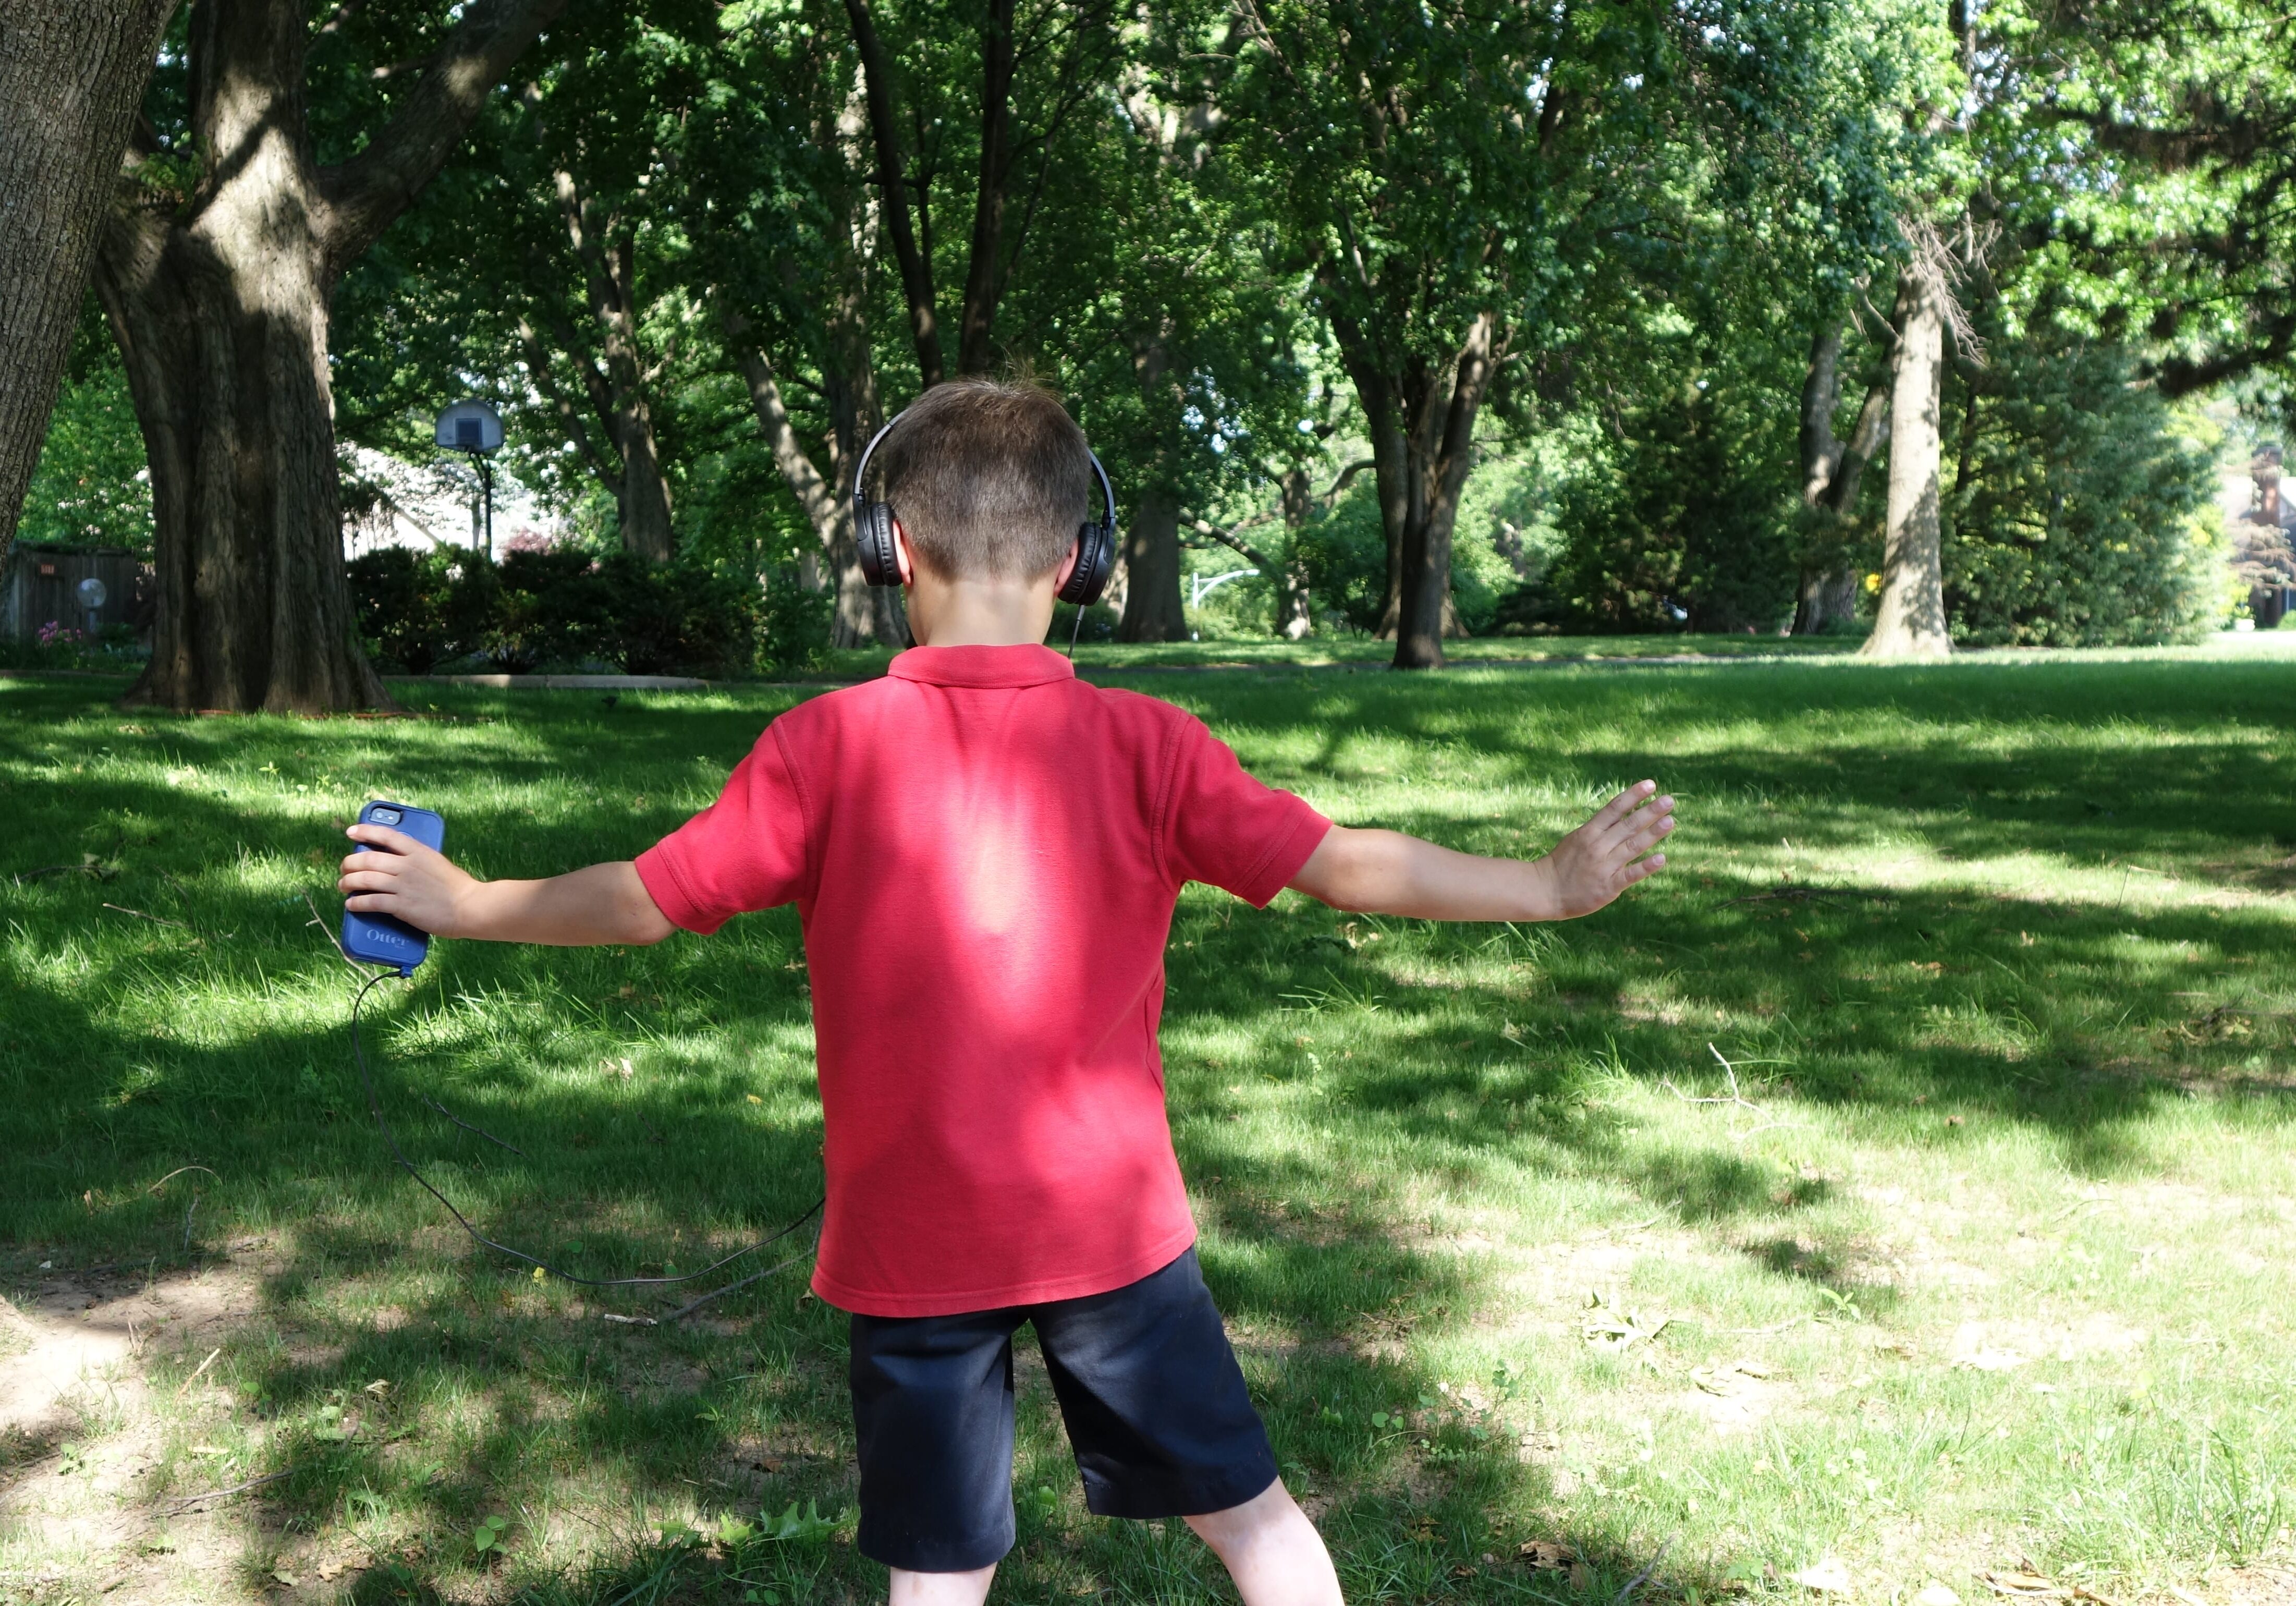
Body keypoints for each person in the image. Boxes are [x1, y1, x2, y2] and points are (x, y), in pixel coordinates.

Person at [338, 380, 1675, 1606]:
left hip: (913, 1243)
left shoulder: (824, 747)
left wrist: (466, 905)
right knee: (1255, 1522)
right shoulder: (1150, 743)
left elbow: (648, 896)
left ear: (892, 554)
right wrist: (1546, 884)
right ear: (1076, 563)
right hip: (1112, 1228)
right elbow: (1344, 867)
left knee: (938, 1574)